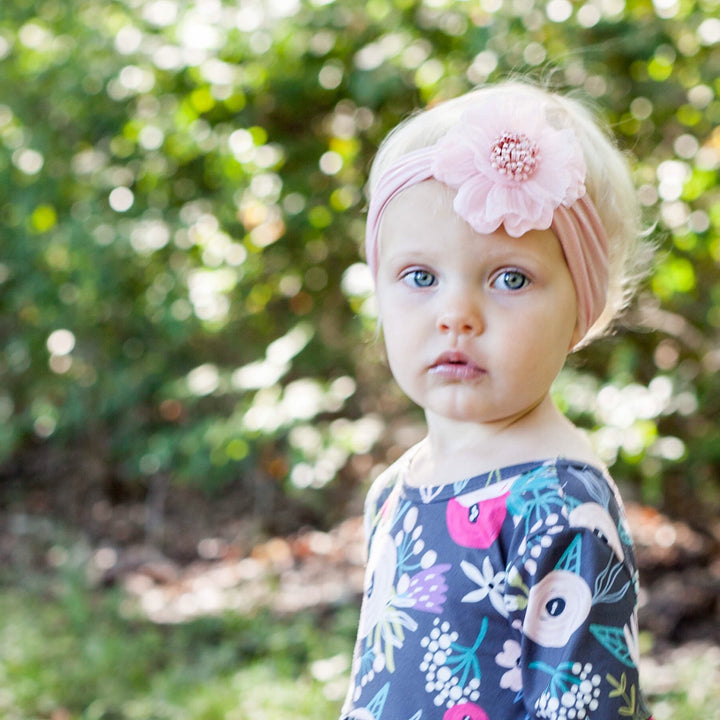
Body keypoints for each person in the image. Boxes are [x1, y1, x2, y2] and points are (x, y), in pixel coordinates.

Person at [339, 80, 654, 720]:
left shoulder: (560, 507)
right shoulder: (398, 487)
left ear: (580, 312)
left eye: (509, 277)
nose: (456, 315)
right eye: (420, 277)